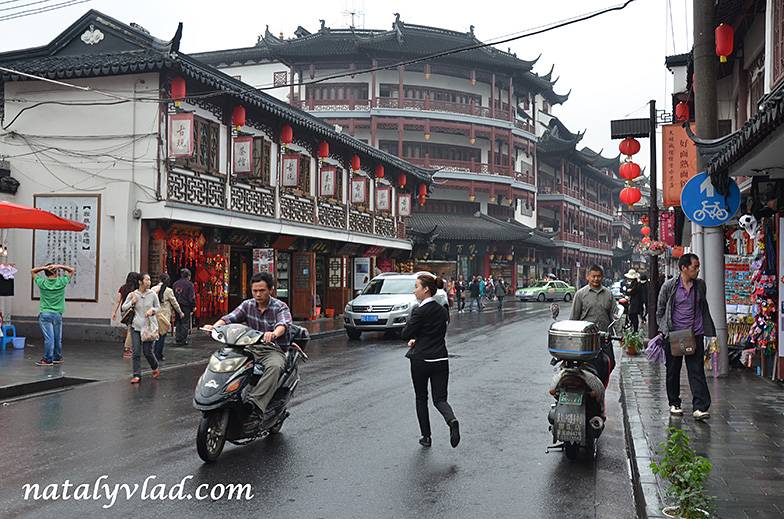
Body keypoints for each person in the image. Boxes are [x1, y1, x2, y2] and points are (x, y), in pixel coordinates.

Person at [210, 272, 292, 418]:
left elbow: (283, 324)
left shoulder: (280, 307)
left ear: (271, 290)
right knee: (227, 361)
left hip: (272, 349)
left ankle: (255, 404)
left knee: (274, 367)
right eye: (255, 291)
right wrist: (215, 327)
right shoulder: (247, 305)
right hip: (250, 347)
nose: (258, 294)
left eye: (262, 290)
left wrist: (273, 333)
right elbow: (230, 318)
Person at [401, 274, 460, 448]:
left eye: (417, 286)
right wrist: (418, 338)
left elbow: (405, 333)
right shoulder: (442, 310)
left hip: (421, 360)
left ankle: (426, 437)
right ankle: (452, 420)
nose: (414, 290)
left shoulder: (420, 311)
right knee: (440, 399)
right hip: (441, 358)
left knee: (421, 398)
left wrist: (414, 339)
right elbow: (435, 333)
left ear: (426, 289)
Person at [656, 253, 715, 421]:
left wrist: (708, 331)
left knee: (697, 371)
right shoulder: (669, 286)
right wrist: (664, 330)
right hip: (674, 334)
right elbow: (660, 310)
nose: (697, 270)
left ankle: (700, 407)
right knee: (673, 371)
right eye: (694, 267)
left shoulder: (700, 286)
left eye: (698, 267)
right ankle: (674, 403)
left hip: (694, 333)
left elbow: (703, 308)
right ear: (683, 268)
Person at [570, 264, 616, 386]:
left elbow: (614, 316)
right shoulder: (580, 294)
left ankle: (600, 387)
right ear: (588, 277)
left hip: (603, 338)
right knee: (583, 366)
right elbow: (574, 318)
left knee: (610, 363)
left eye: (599, 276)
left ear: (602, 277)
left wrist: (618, 335)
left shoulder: (609, 294)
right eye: (593, 276)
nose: (596, 279)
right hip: (585, 339)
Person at [31, 263, 75, 366]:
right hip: (57, 314)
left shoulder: (42, 283)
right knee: (57, 337)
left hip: (45, 314)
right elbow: (72, 270)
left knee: (49, 338)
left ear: (45, 273)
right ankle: (57, 357)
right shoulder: (61, 282)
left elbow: (32, 271)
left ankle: (47, 359)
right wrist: (59, 266)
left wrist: (44, 268)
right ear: (56, 272)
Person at [121, 273, 161, 383]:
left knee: (147, 351)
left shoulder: (152, 294)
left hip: (148, 327)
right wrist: (131, 302)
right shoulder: (133, 294)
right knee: (136, 352)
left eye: (149, 280)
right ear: (140, 282)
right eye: (147, 280)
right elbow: (124, 307)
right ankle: (136, 375)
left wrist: (152, 311)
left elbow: (158, 308)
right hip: (136, 326)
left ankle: (155, 366)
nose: (149, 282)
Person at [152, 273, 184, 361]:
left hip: (155, 314)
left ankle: (155, 352)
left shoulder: (153, 289)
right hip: (164, 316)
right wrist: (180, 312)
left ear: (159, 280)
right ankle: (158, 354)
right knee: (162, 336)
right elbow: (174, 303)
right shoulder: (168, 291)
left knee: (156, 334)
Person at [112, 272, 141, 359]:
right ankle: (127, 349)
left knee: (131, 328)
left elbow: (118, 301)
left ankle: (130, 347)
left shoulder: (123, 288)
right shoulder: (137, 289)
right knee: (131, 329)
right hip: (133, 311)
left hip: (124, 311)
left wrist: (114, 312)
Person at [173, 268, 196, 346]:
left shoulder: (175, 284)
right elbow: (192, 297)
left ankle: (178, 338)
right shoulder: (190, 284)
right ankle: (183, 339)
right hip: (186, 306)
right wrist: (193, 306)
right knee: (185, 323)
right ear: (188, 276)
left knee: (178, 322)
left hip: (177, 305)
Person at [624, 269, 643, 333]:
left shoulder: (637, 284)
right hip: (633, 302)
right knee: (632, 316)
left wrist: (629, 291)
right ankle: (633, 328)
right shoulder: (633, 283)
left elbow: (631, 291)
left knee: (633, 315)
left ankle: (635, 330)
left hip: (636, 303)